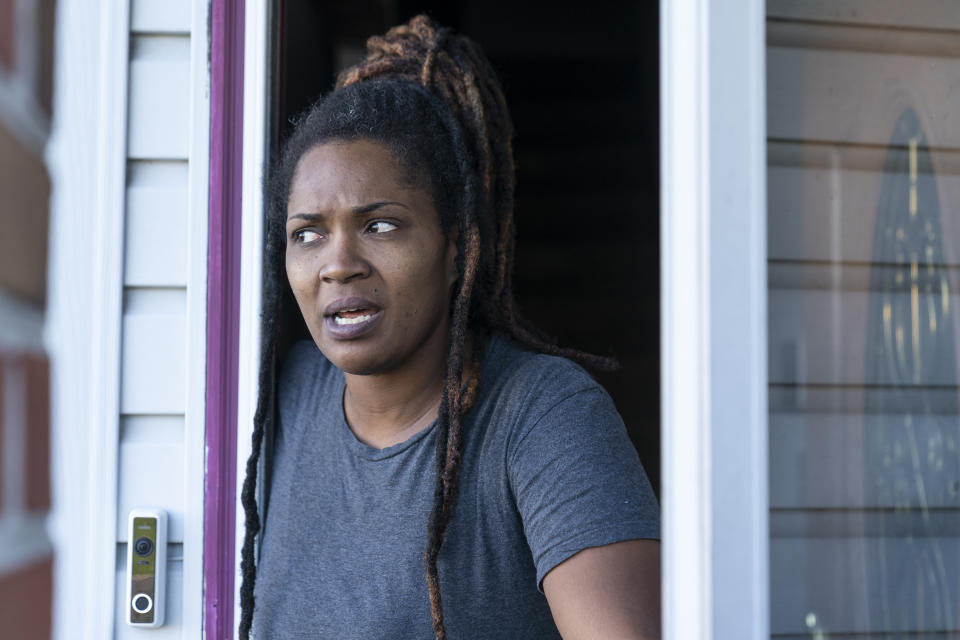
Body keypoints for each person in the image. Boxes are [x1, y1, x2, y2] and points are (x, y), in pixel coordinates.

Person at [239, 15, 660, 640]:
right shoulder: (285, 397)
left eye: (380, 225)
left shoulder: (544, 417)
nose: (338, 264)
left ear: (459, 250)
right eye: (308, 234)